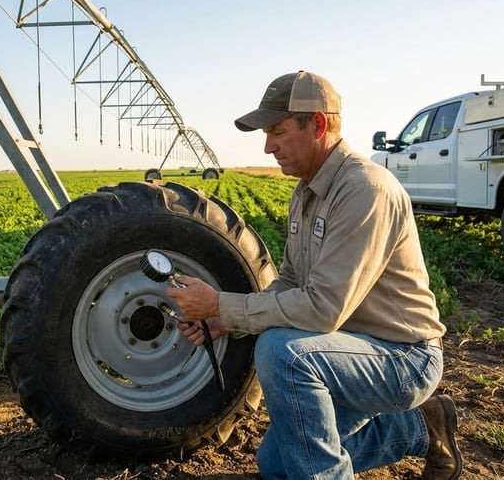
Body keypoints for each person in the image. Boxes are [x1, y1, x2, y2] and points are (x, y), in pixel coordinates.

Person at [166, 71, 462, 479]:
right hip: (348, 351)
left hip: (402, 357)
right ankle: (421, 427)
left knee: (281, 352)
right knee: (275, 465)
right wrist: (223, 321)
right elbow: (290, 283)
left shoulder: (363, 190)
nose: (268, 147)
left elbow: (322, 310)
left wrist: (220, 303)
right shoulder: (306, 192)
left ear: (318, 124)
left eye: (278, 132)